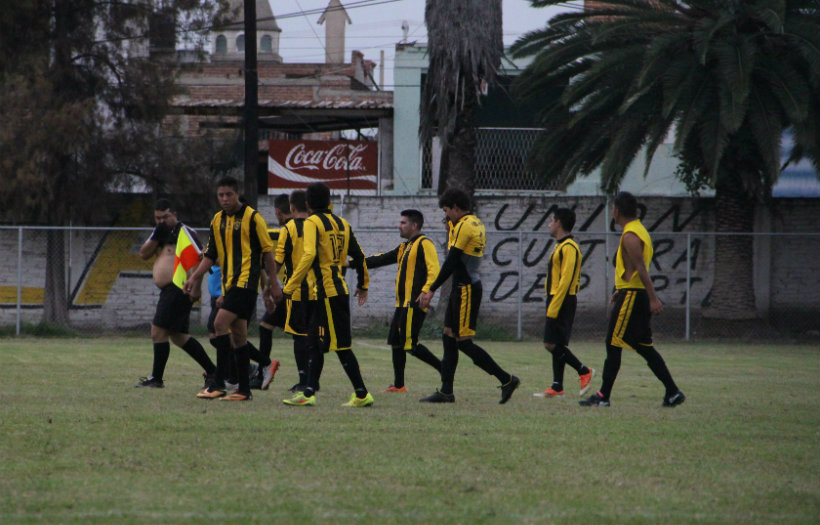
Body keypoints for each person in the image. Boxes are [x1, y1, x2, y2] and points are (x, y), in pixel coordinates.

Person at [580, 191, 685, 407]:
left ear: (617, 210)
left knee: (613, 344)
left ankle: (603, 396)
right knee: (644, 346)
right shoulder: (639, 231)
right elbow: (633, 270)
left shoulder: (630, 235)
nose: (611, 211)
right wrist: (622, 287)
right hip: (632, 293)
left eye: (612, 208)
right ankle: (673, 392)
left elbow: (641, 268)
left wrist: (653, 298)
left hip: (634, 298)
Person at [417, 188, 520, 404]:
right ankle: (446, 391)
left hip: (466, 289)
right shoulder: (474, 222)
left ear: (455, 207)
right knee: (448, 336)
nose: (446, 216)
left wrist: (431, 289)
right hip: (462, 287)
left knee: (463, 342)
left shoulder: (463, 226)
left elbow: (453, 261)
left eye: (447, 211)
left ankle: (506, 379)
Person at [184, 176, 281, 401]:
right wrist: (193, 278)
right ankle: (244, 390)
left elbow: (268, 253)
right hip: (230, 286)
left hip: (246, 283)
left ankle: (219, 383)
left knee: (219, 324)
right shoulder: (217, 220)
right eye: (221, 195)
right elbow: (210, 256)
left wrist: (273, 285)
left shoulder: (253, 218)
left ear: (237, 194)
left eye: (229, 194)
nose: (225, 199)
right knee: (238, 336)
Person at [282, 182, 373, 408]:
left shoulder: (312, 222)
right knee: (314, 342)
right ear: (329, 199)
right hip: (328, 292)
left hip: (328, 292)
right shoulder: (343, 223)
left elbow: (309, 254)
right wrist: (363, 284)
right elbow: (359, 256)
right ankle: (309, 392)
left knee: (341, 347)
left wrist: (290, 285)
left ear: (308, 203)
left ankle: (362, 394)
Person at [134, 199, 217, 388]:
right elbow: (144, 254)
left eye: (165, 217)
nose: (161, 221)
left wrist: (196, 287)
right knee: (178, 336)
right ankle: (213, 372)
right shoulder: (158, 233)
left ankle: (156, 378)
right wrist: (156, 237)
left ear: (175, 215)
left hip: (179, 288)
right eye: (157, 218)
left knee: (158, 331)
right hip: (169, 289)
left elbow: (200, 258)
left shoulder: (185, 232)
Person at [365, 209, 442, 392]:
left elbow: (435, 270)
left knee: (409, 344)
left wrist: (426, 291)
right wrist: (352, 263)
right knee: (396, 343)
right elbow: (381, 259)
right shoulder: (404, 247)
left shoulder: (425, 244)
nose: (399, 226)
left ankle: (444, 369)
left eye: (403, 223)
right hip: (402, 305)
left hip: (413, 303)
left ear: (414, 226)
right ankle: (399, 385)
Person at [534, 208, 595, 398]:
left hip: (562, 299)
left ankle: (583, 370)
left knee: (550, 343)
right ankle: (557, 386)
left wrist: (554, 306)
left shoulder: (570, 247)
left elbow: (566, 280)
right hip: (556, 297)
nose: (549, 224)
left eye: (551, 220)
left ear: (559, 222)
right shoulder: (560, 246)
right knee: (557, 342)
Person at [272, 190, 315, 393]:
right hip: (319, 291)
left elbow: (278, 261)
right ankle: (312, 379)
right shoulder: (318, 225)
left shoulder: (288, 228)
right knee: (313, 337)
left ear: (291, 207)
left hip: (297, 291)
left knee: (299, 336)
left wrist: (269, 285)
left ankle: (303, 379)